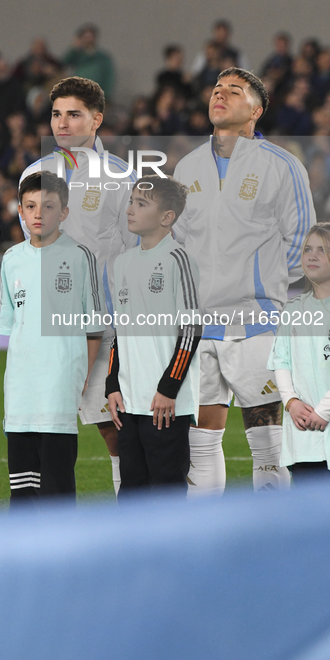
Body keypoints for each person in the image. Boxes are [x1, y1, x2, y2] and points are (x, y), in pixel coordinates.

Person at [173, 67, 315, 495]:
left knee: (267, 440)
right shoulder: (187, 165)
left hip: (255, 320)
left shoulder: (282, 165)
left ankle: (273, 545)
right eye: (217, 89)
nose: (221, 95)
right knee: (200, 441)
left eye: (234, 91)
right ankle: (205, 542)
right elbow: (178, 241)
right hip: (196, 326)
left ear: (255, 111)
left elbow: (304, 241)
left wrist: (264, 287)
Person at [20, 77, 138, 495]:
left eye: (74, 114)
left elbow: (134, 253)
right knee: (43, 429)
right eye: (56, 114)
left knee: (113, 428)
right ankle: (48, 523)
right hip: (48, 326)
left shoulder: (122, 178)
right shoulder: (35, 174)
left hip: (103, 328)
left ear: (97, 119)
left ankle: (132, 515)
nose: (62, 123)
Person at [0, 171, 104, 503]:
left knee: (56, 486)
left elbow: (94, 326)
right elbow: (13, 325)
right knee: (23, 488)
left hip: (59, 383)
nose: (38, 214)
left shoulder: (79, 256)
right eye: (30, 206)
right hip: (20, 387)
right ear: (21, 211)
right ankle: (23, 553)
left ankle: (61, 551)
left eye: (48, 206)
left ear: (65, 212)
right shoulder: (12, 260)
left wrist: (83, 375)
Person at [106, 175, 201, 494]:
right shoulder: (122, 263)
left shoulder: (178, 259)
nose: (130, 209)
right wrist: (112, 385)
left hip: (165, 402)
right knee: (132, 487)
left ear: (167, 217)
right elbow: (120, 329)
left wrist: (169, 388)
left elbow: (191, 330)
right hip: (128, 401)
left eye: (141, 204)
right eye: (131, 201)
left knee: (166, 490)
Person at [268, 223, 330, 481]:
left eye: (323, 250)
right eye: (308, 249)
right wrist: (291, 401)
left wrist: (324, 411)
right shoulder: (293, 308)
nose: (311, 255)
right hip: (303, 437)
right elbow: (281, 360)